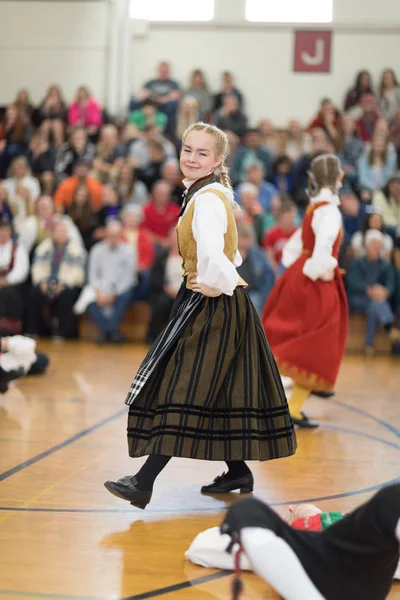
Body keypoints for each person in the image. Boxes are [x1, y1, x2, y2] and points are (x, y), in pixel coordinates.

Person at [104, 122, 296, 510]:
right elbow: (231, 255)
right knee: (219, 391)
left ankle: (143, 481)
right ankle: (237, 471)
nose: (191, 158)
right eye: (187, 150)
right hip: (215, 298)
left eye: (201, 153)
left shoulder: (207, 199)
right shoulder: (208, 193)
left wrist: (214, 283)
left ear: (219, 159)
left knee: (182, 387)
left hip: (214, 303)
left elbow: (216, 258)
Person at [196, 484, 400, 600]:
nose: (291, 508)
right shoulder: (299, 537)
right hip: (322, 562)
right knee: (246, 508)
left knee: (393, 498)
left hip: (356, 568)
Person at [262, 155, 348, 428]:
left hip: (300, 275)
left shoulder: (315, 206)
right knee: (318, 343)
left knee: (304, 340)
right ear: (339, 178)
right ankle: (289, 404)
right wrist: (323, 271)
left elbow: (293, 248)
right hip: (316, 280)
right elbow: (322, 250)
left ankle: (293, 406)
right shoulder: (329, 210)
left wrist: (297, 273)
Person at [75, 220, 137, 344]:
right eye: (110, 235)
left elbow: (128, 278)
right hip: (100, 288)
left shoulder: (129, 251)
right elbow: (92, 275)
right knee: (89, 302)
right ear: (105, 235)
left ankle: (106, 332)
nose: (113, 239)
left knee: (127, 294)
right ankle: (112, 332)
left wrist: (113, 295)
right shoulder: (96, 250)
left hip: (120, 289)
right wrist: (98, 293)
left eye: (116, 236)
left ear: (121, 235)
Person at [26, 219, 86, 339]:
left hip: (66, 284)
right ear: (53, 233)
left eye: (63, 231)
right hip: (46, 281)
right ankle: (32, 330)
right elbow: (37, 267)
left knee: (67, 295)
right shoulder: (43, 247)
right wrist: (41, 282)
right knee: (33, 293)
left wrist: (63, 284)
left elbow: (78, 272)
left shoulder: (76, 249)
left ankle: (62, 332)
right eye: (58, 231)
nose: (61, 234)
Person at [347, 229, 397, 355]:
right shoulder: (356, 262)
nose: (377, 248)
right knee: (375, 303)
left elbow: (391, 283)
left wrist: (385, 291)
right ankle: (388, 327)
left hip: (377, 299)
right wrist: (369, 290)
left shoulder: (385, 264)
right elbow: (352, 282)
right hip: (359, 298)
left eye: (379, 245)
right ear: (366, 246)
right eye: (374, 245)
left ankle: (369, 346)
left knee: (373, 307)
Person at [146, 227, 183, 344]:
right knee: (161, 303)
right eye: (173, 236)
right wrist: (166, 287)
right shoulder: (162, 255)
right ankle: (153, 336)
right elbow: (155, 276)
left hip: (184, 290)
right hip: (165, 289)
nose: (175, 239)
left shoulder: (190, 256)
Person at [236, 222, 275, 315]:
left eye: (247, 237)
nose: (244, 240)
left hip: (254, 294)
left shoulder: (258, 255)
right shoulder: (230, 255)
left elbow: (269, 274)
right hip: (234, 295)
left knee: (255, 303)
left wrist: (264, 295)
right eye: (242, 236)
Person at [0, 220, 29, 336]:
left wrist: (6, 281)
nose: (4, 233)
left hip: (12, 286)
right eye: (1, 230)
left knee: (7, 293)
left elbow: (22, 270)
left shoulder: (17, 248)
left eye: (6, 230)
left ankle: (7, 329)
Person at [141, 181, 180, 248]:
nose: (163, 197)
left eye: (166, 194)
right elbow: (145, 232)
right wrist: (162, 241)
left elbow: (179, 229)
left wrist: (170, 241)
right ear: (153, 193)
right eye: (160, 194)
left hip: (173, 245)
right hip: (153, 245)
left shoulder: (176, 210)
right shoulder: (145, 210)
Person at [262, 200, 298, 273]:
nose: (291, 220)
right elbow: (269, 257)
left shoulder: (298, 234)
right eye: (288, 217)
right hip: (278, 269)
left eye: (293, 217)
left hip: (294, 268)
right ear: (281, 217)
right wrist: (277, 272)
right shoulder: (271, 234)